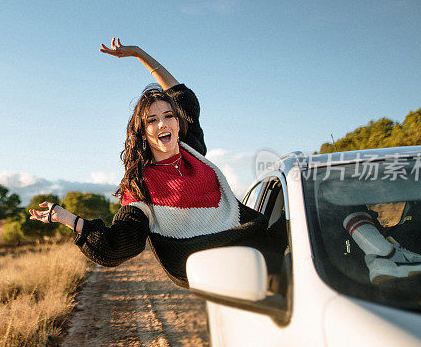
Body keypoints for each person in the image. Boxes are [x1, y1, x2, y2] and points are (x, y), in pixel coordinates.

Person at [29, 38, 270, 288]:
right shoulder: (140, 185)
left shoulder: (192, 149)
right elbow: (121, 244)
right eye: (152, 120)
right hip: (208, 269)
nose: (162, 124)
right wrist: (68, 218)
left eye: (168, 116)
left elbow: (183, 97)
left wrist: (139, 54)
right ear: (143, 133)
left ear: (178, 123)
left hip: (256, 247)